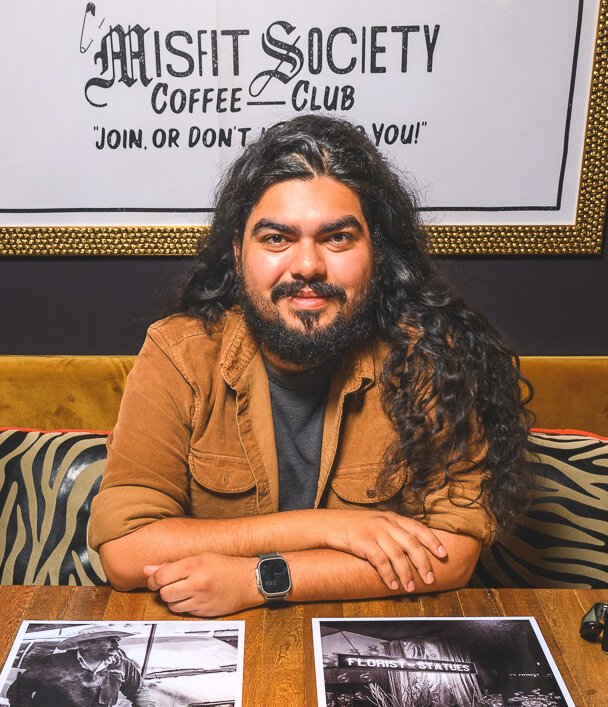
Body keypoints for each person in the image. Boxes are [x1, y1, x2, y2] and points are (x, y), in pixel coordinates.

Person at [89, 115, 534, 617]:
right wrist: (327, 527)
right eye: (277, 238)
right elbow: (125, 553)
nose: (306, 266)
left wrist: (262, 578)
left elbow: (450, 555)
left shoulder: (431, 356)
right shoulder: (179, 354)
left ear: (377, 255)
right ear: (238, 254)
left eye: (337, 238)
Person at [5, 627, 165, 707]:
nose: (117, 646)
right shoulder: (53, 663)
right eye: (110, 641)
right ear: (86, 645)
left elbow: (137, 690)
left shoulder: (122, 664)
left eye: (117, 640)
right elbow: (19, 690)